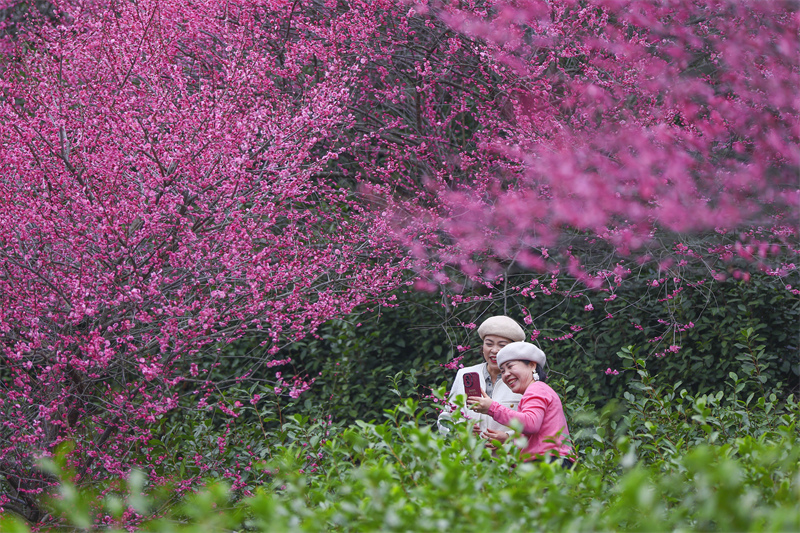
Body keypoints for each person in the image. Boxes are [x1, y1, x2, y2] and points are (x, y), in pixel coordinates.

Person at [468, 341, 575, 467]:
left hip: (549, 463)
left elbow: (531, 423)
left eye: (510, 366)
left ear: (532, 365)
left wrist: (492, 408)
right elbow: (535, 437)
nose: (506, 374)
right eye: (502, 371)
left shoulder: (536, 389)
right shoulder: (538, 390)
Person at [437, 315, 525, 439]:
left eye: (502, 345)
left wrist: (508, 437)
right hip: (470, 455)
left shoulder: (523, 380)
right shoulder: (465, 374)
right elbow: (446, 417)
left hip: (507, 456)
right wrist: (459, 430)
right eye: (489, 344)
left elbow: (535, 424)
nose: (494, 350)